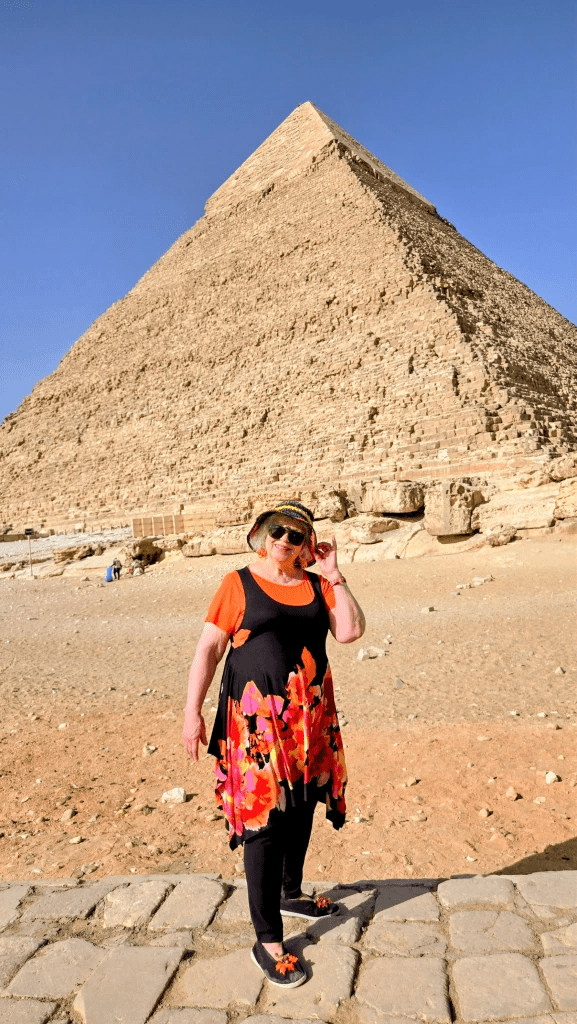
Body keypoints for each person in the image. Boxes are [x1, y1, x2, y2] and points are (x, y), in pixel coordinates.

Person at [183, 500, 365, 988]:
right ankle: (267, 940)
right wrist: (192, 712)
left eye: (297, 534)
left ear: (308, 544)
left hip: (308, 719)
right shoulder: (237, 584)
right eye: (277, 531)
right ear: (262, 535)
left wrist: (335, 574)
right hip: (255, 725)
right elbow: (208, 649)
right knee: (263, 820)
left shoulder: (317, 584)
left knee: (301, 805)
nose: (285, 540)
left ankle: (290, 893)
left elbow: (349, 631)